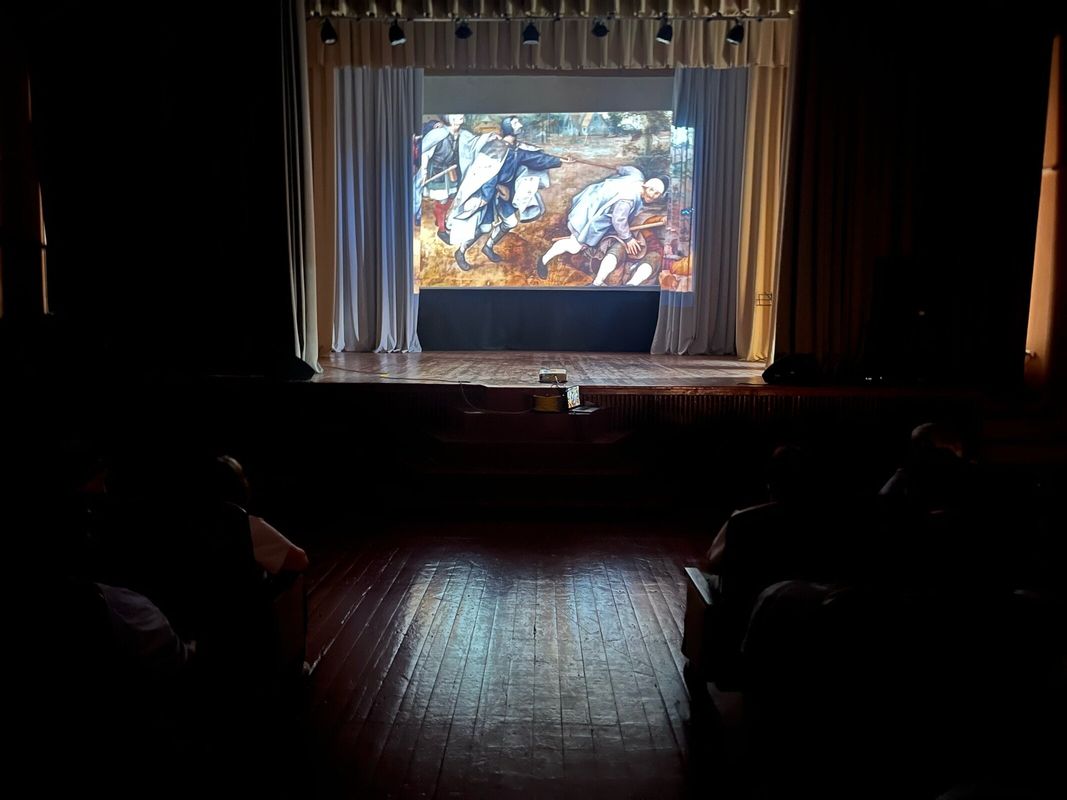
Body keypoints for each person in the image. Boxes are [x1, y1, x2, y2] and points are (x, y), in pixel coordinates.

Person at [445, 116, 570, 271]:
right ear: (508, 128)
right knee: (484, 228)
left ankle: (488, 246)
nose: (520, 124)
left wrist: (559, 161)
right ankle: (461, 251)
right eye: (516, 123)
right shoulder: (495, 147)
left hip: (503, 193)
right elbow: (488, 172)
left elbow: (535, 158)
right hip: (487, 194)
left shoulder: (516, 149)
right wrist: (490, 193)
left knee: (510, 222)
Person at [537, 166, 664, 280]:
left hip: (592, 201)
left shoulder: (636, 175)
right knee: (574, 246)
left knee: (581, 243)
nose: (653, 195)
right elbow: (618, 220)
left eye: (657, 193)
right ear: (645, 186)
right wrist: (628, 239)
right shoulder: (628, 200)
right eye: (651, 190)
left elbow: (622, 169)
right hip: (591, 216)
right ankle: (543, 260)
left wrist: (619, 168)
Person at [418, 114, 474, 241]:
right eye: (456, 114)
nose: (461, 115)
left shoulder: (464, 134)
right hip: (437, 172)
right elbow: (425, 153)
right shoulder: (437, 134)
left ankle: (440, 218)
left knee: (451, 197)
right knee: (442, 200)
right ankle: (442, 230)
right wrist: (424, 172)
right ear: (450, 118)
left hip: (452, 171)